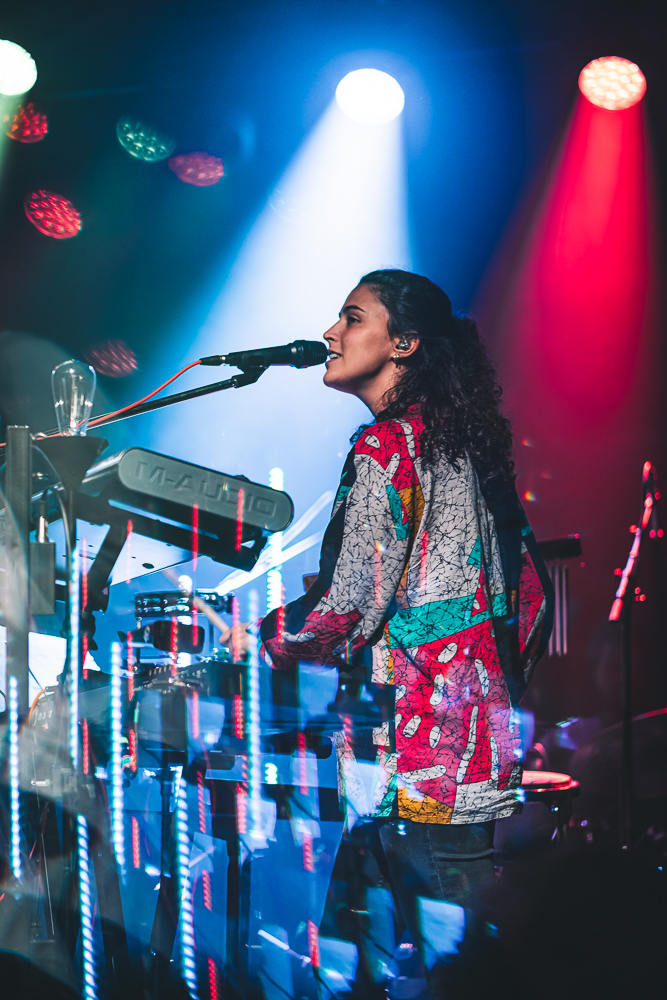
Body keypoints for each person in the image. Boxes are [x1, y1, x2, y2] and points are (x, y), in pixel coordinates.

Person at [224, 269, 553, 991]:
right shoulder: (464, 448)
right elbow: (530, 596)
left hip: (406, 758)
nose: (329, 334)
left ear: (402, 343)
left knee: (386, 964)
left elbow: (348, 606)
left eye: (351, 318)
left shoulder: (384, 451)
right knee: (441, 956)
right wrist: (491, 692)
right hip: (465, 747)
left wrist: (257, 640)